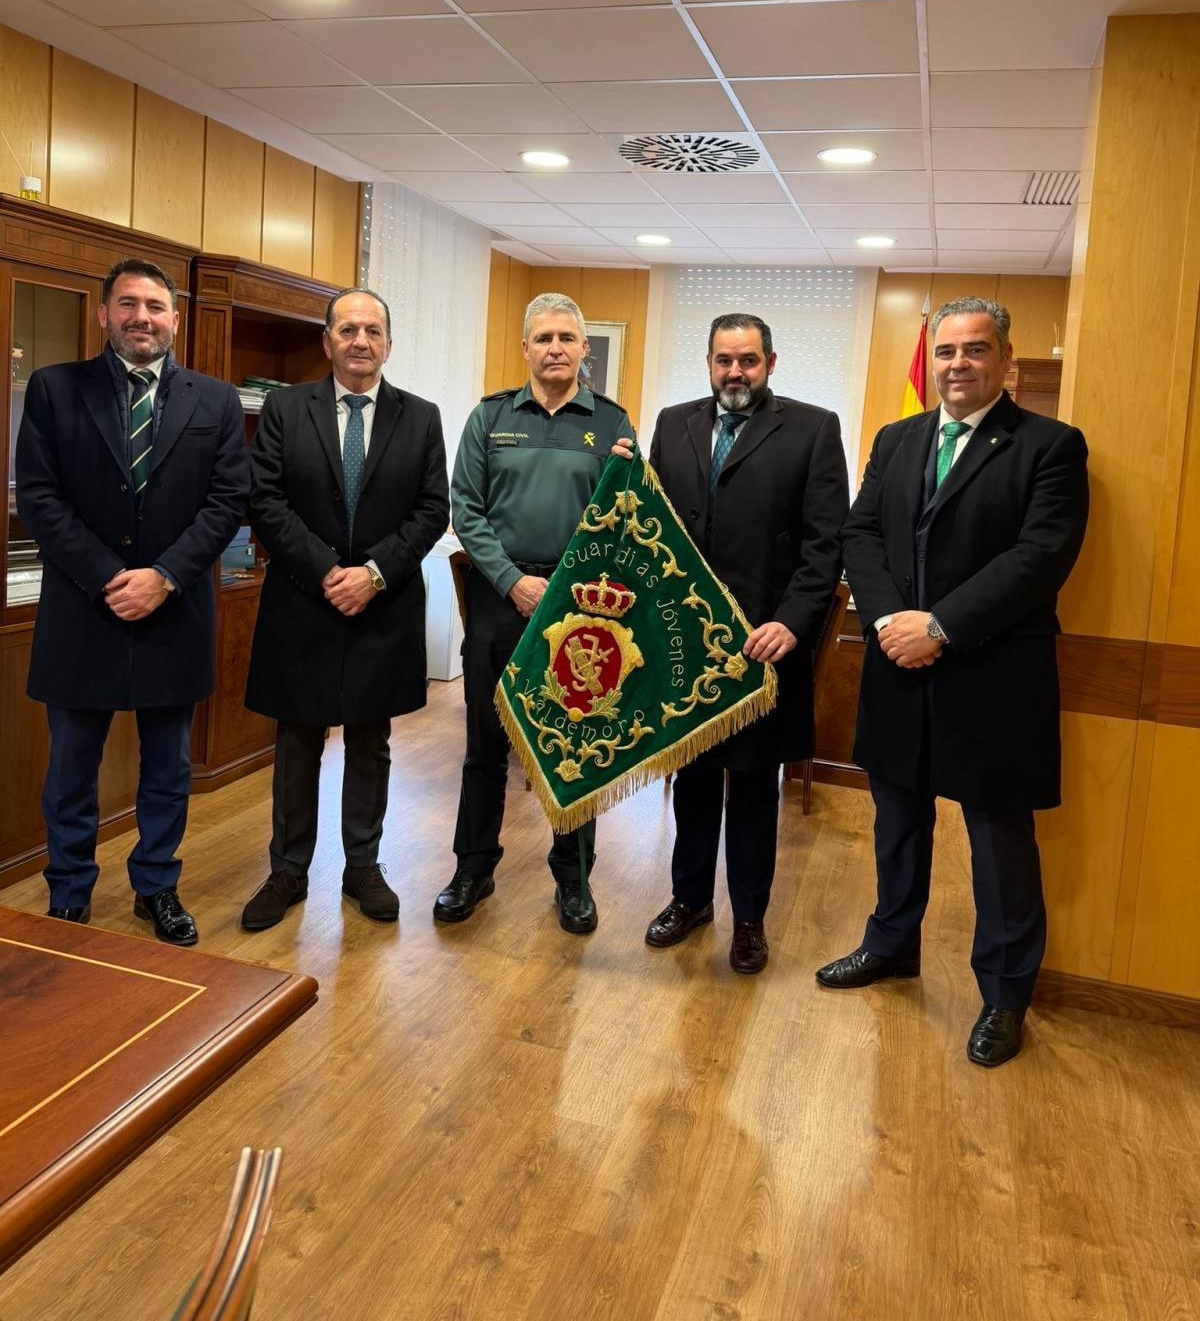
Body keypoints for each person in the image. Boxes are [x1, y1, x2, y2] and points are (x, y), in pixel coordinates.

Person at [816, 297, 1089, 1067]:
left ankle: (1005, 996)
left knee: (999, 845)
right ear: (930, 362)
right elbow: (860, 532)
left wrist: (938, 626)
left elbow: (1039, 559)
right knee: (896, 823)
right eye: (946, 352)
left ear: (1008, 361)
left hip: (993, 677)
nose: (958, 364)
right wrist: (888, 621)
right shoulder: (897, 439)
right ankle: (891, 945)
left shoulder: (1051, 447)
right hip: (898, 668)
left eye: (975, 350)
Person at [15, 258, 249, 945]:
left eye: (154, 305)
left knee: (168, 768)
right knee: (70, 769)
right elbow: (39, 495)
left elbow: (227, 501)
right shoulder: (56, 390)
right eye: (127, 304)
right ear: (103, 313)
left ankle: (157, 889)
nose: (140, 317)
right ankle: (69, 890)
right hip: (83, 610)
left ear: (175, 318)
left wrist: (165, 576)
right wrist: (111, 576)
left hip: (174, 613)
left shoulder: (216, 400)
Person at [618, 313, 848, 973]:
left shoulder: (812, 428)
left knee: (751, 789)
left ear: (771, 363)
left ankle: (749, 918)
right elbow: (655, 528)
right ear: (709, 362)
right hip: (687, 649)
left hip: (762, 648)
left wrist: (792, 621)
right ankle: (689, 901)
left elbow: (823, 544)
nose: (735, 372)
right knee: (692, 781)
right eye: (724, 360)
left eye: (748, 360)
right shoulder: (674, 422)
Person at [240, 288, 448, 930]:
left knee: (370, 738)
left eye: (374, 331)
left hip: (382, 605)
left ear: (389, 343)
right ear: (326, 341)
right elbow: (264, 498)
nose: (362, 341)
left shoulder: (420, 415)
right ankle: (287, 870)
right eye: (348, 329)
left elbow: (431, 509)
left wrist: (375, 574)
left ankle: (363, 865)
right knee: (297, 739)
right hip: (304, 599)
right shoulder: (283, 407)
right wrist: (330, 571)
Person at [435, 293, 633, 934]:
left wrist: (566, 581)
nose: (555, 348)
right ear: (526, 348)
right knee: (485, 745)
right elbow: (467, 507)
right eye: (543, 338)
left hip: (581, 610)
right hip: (501, 599)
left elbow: (625, 514)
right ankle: (472, 869)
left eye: (567, 339)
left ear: (583, 351)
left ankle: (573, 881)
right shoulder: (491, 417)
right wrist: (512, 580)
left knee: (577, 744)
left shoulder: (611, 422)